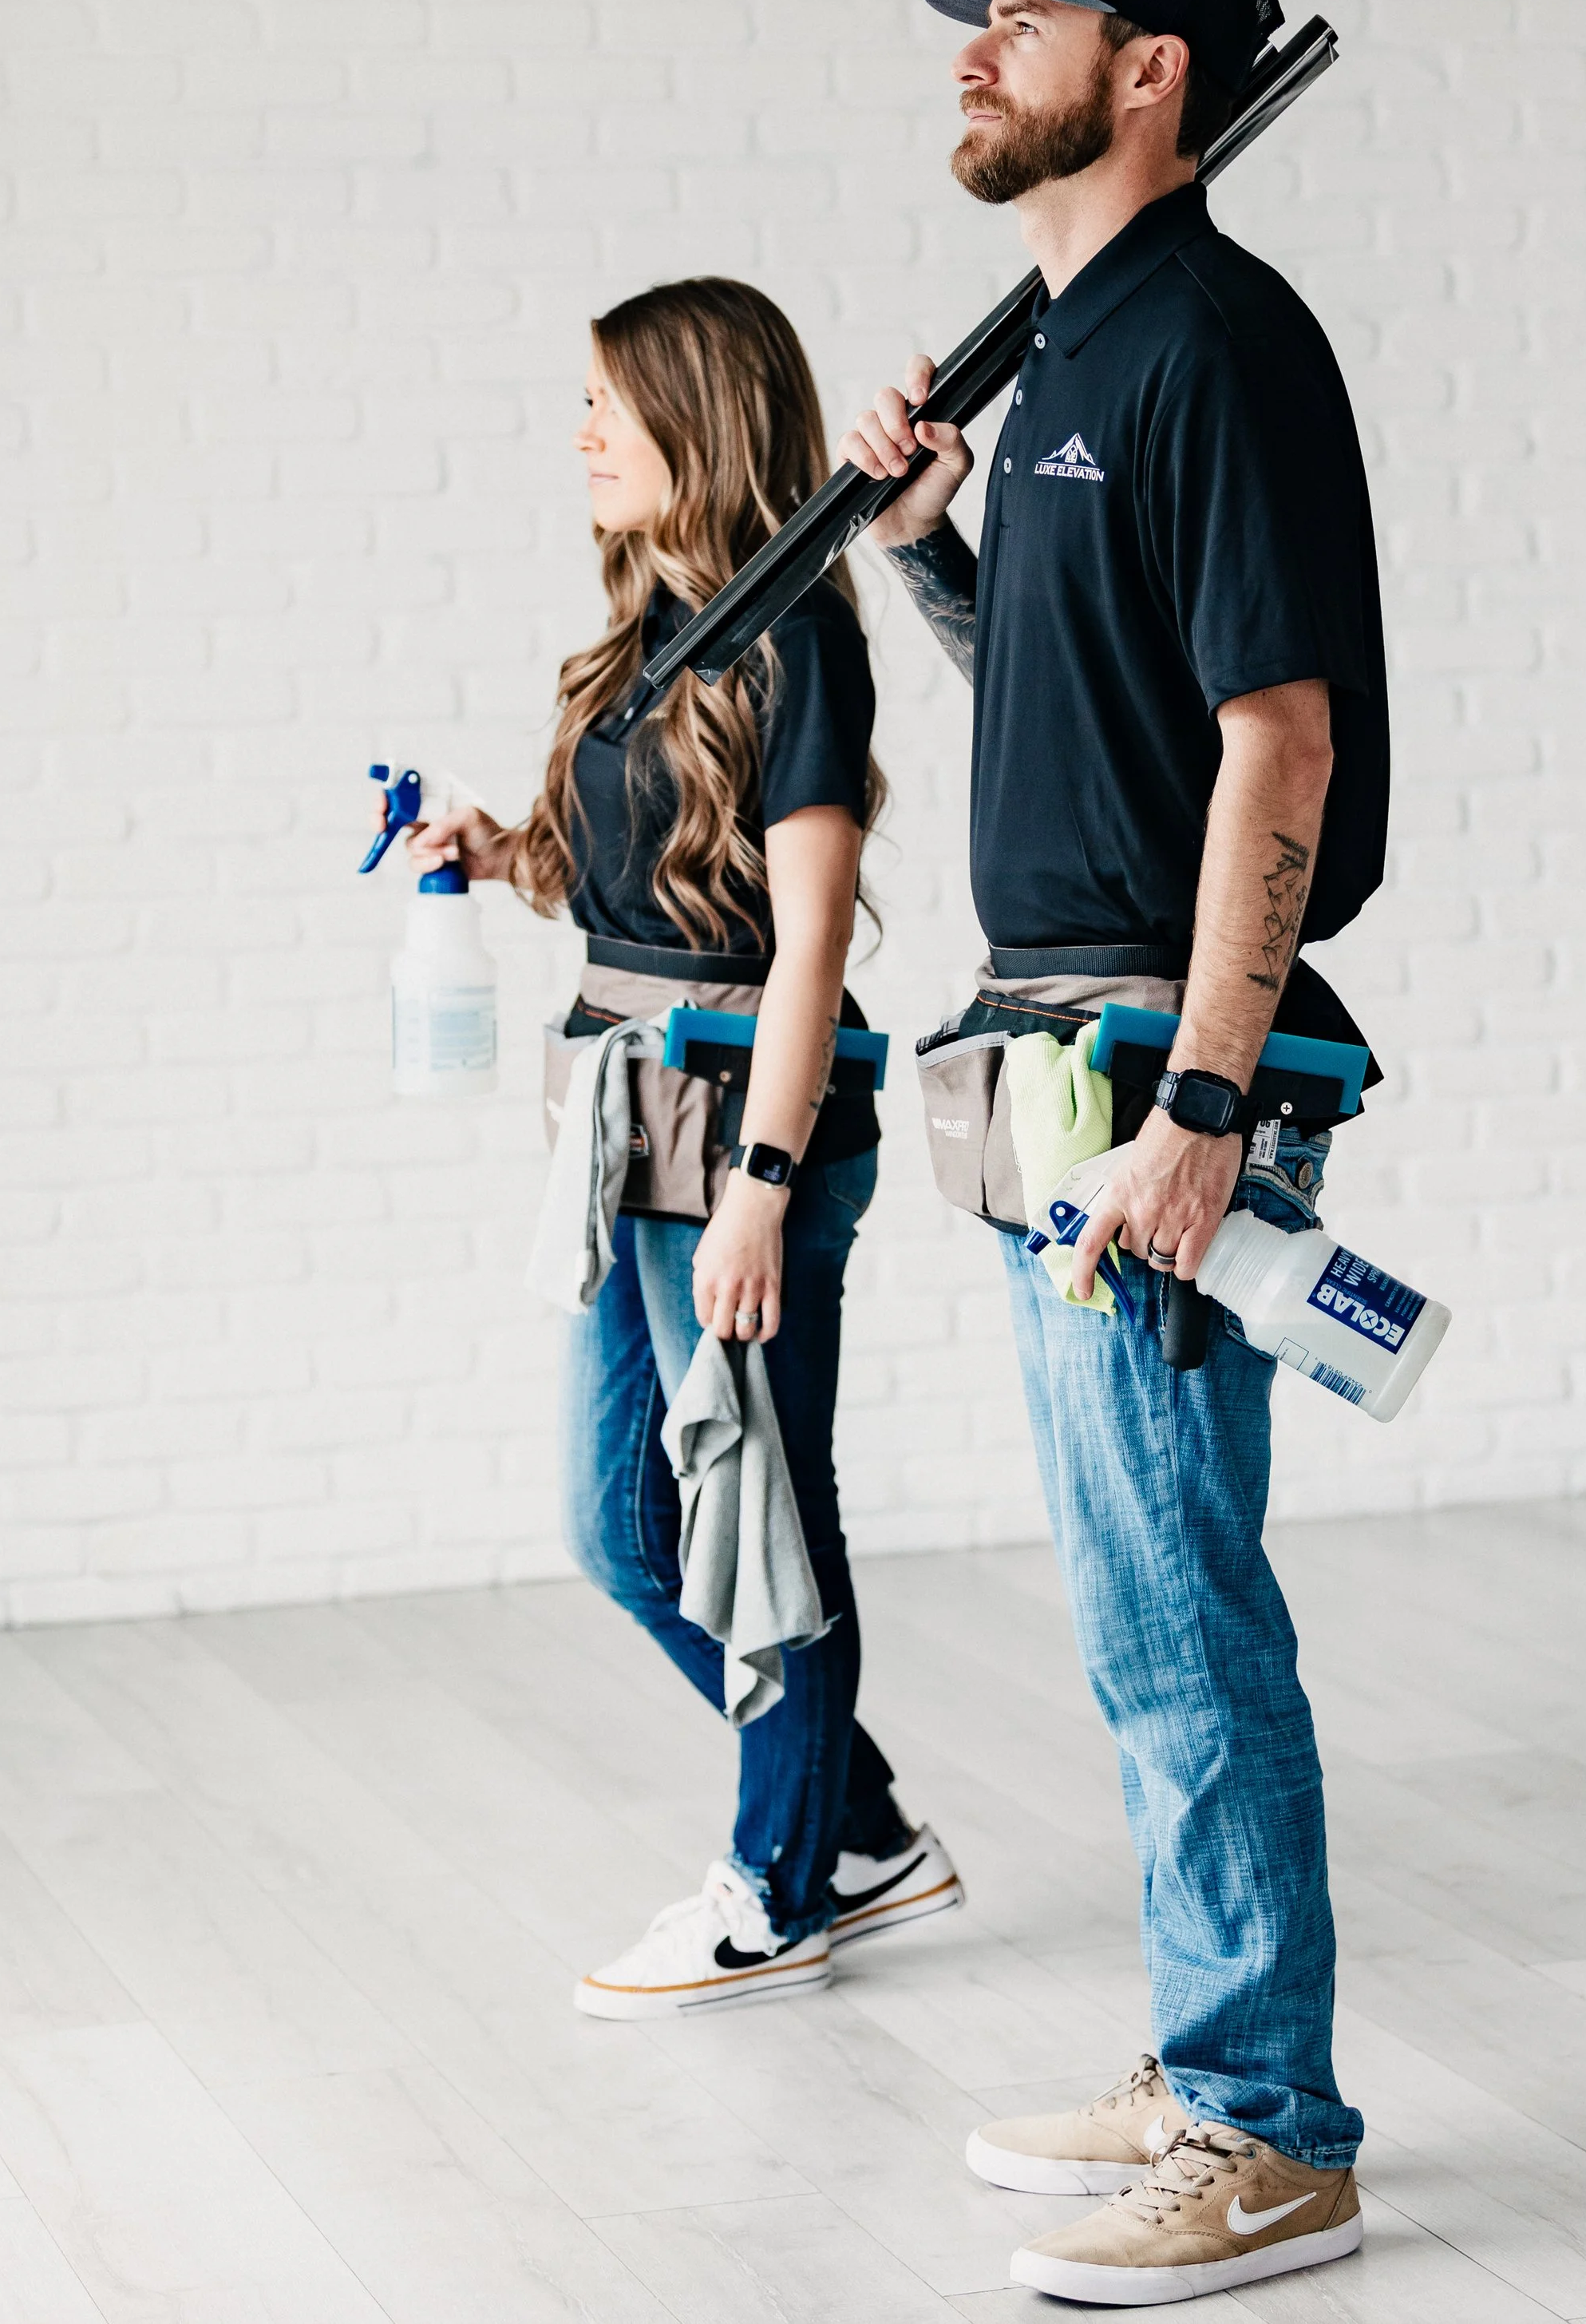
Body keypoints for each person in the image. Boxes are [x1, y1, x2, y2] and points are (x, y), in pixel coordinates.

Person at [841, 0, 1385, 2301]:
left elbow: (1280, 738)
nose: (976, 57)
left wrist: (1203, 1090)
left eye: (1021, 23)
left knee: (1178, 1600)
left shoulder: (1214, 345)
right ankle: (1201, 2056)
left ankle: (1269, 2128)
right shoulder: (1070, 352)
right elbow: (1087, 715)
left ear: (1147, 69)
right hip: (1057, 1048)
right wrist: (930, 549)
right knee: (1128, 1592)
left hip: (1154, 1074)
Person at [399, 275, 962, 2015]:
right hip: (626, 1117)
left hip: (738, 1126)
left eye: (600, 404)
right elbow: (640, 888)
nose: (574, 435)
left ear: (693, 418)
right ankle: (853, 1831)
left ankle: (777, 1885)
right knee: (620, 1524)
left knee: (756, 1507)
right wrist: (507, 853)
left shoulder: (802, 635)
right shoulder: (644, 642)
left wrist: (763, 1193)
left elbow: (802, 942)